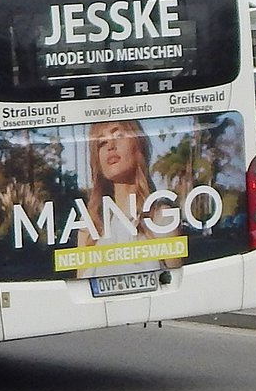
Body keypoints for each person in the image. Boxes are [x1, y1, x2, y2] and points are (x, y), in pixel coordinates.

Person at [75, 119, 182, 279]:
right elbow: (82, 292)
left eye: (118, 135)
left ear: (138, 144)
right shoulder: (90, 224)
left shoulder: (162, 218)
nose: (110, 146)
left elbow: (175, 287)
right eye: (101, 142)